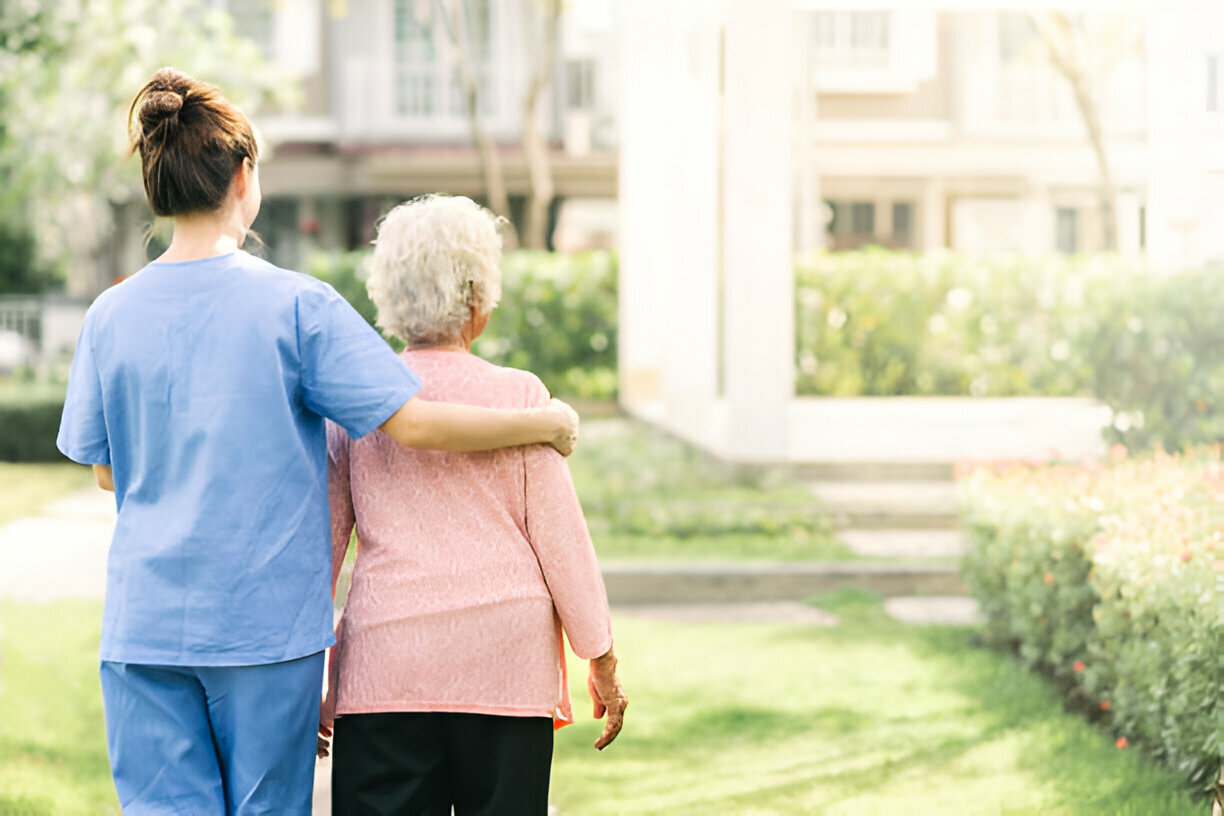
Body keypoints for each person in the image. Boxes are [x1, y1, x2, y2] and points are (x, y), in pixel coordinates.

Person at [55, 68, 580, 815]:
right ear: (244, 176)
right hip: (264, 631)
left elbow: (107, 472)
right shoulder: (297, 306)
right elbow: (414, 421)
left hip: (145, 628)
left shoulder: (109, 314)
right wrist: (542, 422)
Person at [320, 195, 627, 815]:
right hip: (504, 667)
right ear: (477, 301)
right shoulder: (520, 397)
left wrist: (306, 680)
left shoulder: (356, 405)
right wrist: (602, 662)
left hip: (385, 671)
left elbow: (318, 551)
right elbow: (562, 543)